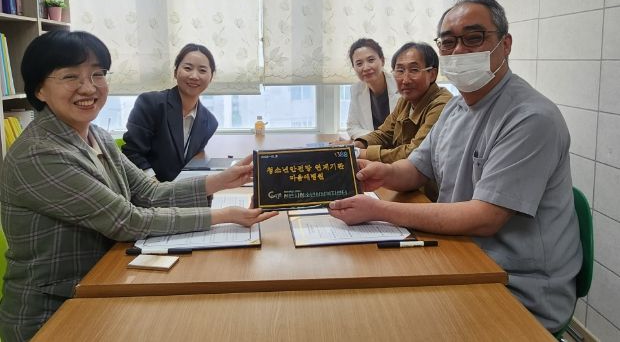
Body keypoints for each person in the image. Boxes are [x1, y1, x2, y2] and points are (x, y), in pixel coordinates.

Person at [0, 31, 277, 342]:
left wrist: (223, 179)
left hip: (103, 286)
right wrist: (224, 216)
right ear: (39, 89)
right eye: (70, 77)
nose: (89, 87)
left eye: (97, 74)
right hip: (53, 311)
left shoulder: (97, 136)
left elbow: (150, 193)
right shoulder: (40, 153)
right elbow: (126, 220)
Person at [328, 0, 582, 333]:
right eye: (448, 42)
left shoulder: (530, 118)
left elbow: (484, 217)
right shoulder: (457, 108)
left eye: (473, 38)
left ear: (505, 44)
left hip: (516, 287)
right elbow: (417, 168)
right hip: (458, 254)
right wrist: (383, 173)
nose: (459, 51)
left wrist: (379, 210)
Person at [122, 43, 218, 181]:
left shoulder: (210, 122)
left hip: (182, 190)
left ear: (211, 77)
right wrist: (156, 187)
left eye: (202, 70)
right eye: (188, 68)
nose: (194, 76)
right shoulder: (151, 103)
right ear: (175, 72)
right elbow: (132, 153)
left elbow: (196, 156)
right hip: (146, 188)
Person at [353, 41, 452, 164]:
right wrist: (357, 145)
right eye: (400, 71)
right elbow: (384, 133)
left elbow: (415, 152)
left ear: (432, 74)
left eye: (414, 70)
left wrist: (362, 154)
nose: (405, 80)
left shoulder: (442, 104)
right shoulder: (405, 101)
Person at [345, 38, 399, 139]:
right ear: (354, 68)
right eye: (359, 64)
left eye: (371, 60)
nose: (366, 68)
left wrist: (373, 138)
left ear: (382, 61)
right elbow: (352, 127)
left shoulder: (400, 84)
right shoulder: (356, 89)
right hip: (371, 146)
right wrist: (376, 139)